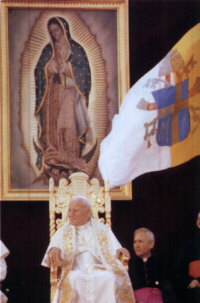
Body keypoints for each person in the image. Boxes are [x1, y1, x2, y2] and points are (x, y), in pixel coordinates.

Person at [34, 17, 96, 183]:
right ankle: (55, 162)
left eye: (57, 30)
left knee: (67, 126)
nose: (55, 34)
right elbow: (38, 70)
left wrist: (68, 68)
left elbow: (85, 73)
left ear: (64, 29)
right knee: (51, 126)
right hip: (52, 94)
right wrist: (48, 68)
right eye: (52, 32)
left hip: (69, 93)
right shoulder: (48, 50)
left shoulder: (76, 49)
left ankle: (71, 161)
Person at [42, 195, 135, 303]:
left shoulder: (102, 229)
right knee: (74, 279)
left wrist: (119, 251)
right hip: (74, 268)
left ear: (87, 212)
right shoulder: (63, 231)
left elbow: (115, 251)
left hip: (99, 267)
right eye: (69, 210)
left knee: (109, 278)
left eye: (75, 211)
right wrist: (53, 249)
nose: (70, 214)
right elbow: (53, 247)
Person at [128, 228, 176, 303]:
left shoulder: (161, 263)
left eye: (140, 241)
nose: (136, 245)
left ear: (151, 244)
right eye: (135, 242)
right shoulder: (129, 264)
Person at [175, 212, 200, 303]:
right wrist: (191, 281)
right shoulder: (188, 246)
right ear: (198, 223)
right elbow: (179, 273)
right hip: (194, 294)